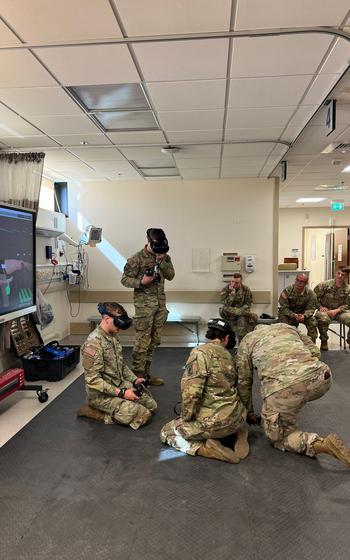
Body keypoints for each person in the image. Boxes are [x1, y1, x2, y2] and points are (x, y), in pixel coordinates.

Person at [236, 323, 350, 467]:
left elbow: (244, 381)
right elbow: (315, 351)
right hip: (323, 377)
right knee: (295, 397)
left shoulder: (247, 340)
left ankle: (322, 444)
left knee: (278, 437)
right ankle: (290, 408)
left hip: (286, 388)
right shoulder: (287, 327)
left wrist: (249, 412)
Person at [160, 318, 249, 464]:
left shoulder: (199, 352)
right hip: (237, 417)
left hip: (214, 423)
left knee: (167, 431)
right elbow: (241, 387)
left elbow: (192, 392)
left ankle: (205, 448)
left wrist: (186, 417)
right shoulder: (230, 356)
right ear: (226, 338)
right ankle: (238, 431)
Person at [77, 302, 157, 430]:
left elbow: (121, 364)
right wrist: (123, 394)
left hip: (117, 385)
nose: (120, 326)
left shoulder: (113, 335)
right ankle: (95, 412)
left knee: (152, 406)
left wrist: (134, 379)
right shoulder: (93, 343)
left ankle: (121, 405)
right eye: (118, 321)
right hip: (101, 396)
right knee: (143, 415)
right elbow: (92, 380)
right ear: (106, 318)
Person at [121, 228, 175, 385]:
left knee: (154, 341)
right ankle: (137, 379)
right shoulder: (136, 259)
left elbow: (171, 276)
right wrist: (141, 282)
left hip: (160, 305)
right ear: (149, 242)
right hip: (144, 306)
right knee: (142, 341)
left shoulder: (165, 256)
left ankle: (146, 375)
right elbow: (124, 279)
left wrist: (162, 260)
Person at [314, 268, 350, 351]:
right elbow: (313, 297)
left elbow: (348, 304)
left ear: (346, 277)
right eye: (338, 273)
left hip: (340, 312)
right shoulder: (324, 285)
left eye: (343, 275)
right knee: (322, 319)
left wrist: (336, 310)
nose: (340, 276)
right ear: (335, 273)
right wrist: (320, 307)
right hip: (325, 310)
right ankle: (324, 340)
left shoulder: (348, 289)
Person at [278, 273, 318, 342]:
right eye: (297, 280)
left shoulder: (310, 294)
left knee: (313, 322)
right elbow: (283, 308)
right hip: (289, 314)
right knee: (283, 321)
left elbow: (311, 309)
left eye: (301, 282)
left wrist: (304, 316)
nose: (298, 283)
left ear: (306, 283)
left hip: (303, 315)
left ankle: (311, 344)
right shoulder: (287, 291)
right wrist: (294, 315)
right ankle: (287, 343)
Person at [219, 273, 258, 343]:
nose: (233, 284)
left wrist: (239, 311)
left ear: (240, 282)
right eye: (232, 281)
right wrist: (232, 295)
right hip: (228, 313)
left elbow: (247, 304)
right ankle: (249, 314)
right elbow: (226, 304)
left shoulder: (246, 289)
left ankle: (241, 343)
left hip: (241, 311)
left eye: (236, 282)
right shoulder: (225, 289)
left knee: (242, 318)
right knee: (223, 309)